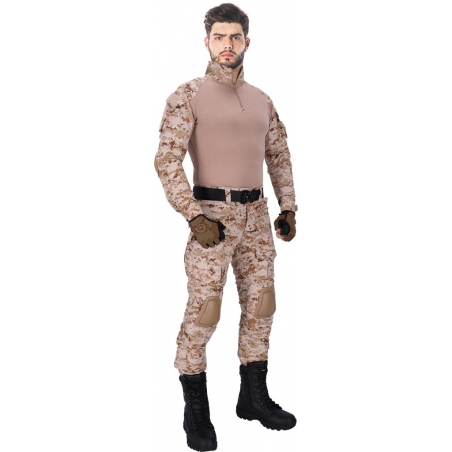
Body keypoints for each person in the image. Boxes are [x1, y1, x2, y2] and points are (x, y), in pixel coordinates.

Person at [154, 3, 298, 451]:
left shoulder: (262, 100)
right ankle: (195, 410)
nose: (227, 44)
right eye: (219, 37)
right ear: (207, 42)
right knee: (206, 310)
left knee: (262, 306)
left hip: (257, 217)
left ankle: (253, 398)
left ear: (247, 42)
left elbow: (278, 155)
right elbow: (166, 160)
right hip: (211, 218)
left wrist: (288, 207)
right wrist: (193, 214)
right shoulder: (188, 95)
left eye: (235, 37)